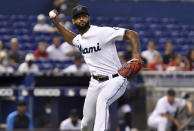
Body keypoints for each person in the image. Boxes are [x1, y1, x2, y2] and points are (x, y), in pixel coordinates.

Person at [49, 5, 141, 131]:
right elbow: (71, 39)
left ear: (88, 18)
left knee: (103, 101)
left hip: (115, 79)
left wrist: (136, 56)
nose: (81, 19)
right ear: (73, 21)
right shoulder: (80, 40)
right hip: (95, 83)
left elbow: (132, 34)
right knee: (86, 122)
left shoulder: (101, 32)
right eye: (78, 17)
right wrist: (56, 23)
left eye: (83, 16)